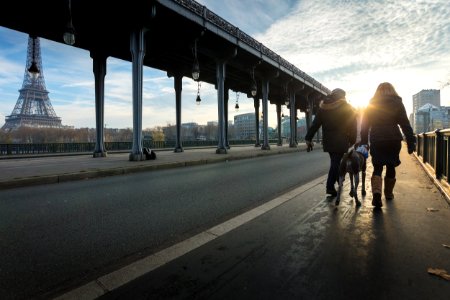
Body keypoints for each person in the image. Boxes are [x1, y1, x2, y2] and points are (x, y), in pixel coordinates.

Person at [360, 82, 416, 208]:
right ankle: (389, 194)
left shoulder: (372, 103)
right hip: (393, 139)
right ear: (392, 90)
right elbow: (405, 124)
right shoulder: (397, 102)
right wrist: (411, 141)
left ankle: (376, 194)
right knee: (391, 166)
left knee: (378, 167)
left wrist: (364, 142)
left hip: (377, 139)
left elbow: (364, 126)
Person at [305, 88, 357, 197]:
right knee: (336, 162)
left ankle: (338, 182)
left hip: (328, 140)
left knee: (335, 161)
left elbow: (315, 124)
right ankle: (330, 186)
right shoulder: (346, 107)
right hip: (341, 139)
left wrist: (308, 138)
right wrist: (352, 140)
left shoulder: (324, 107)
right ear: (342, 96)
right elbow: (353, 124)